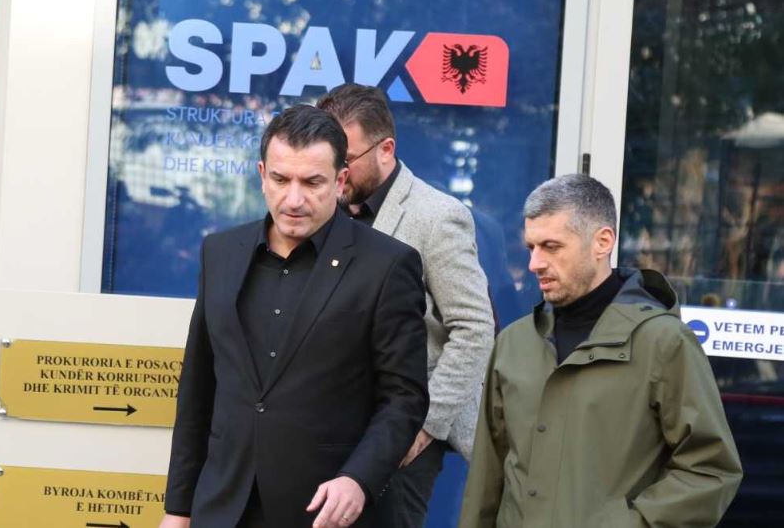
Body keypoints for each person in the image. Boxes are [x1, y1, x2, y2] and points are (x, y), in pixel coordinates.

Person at [159, 105, 429, 528]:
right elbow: (198, 389)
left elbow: (404, 398)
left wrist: (358, 479)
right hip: (223, 507)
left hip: (325, 511)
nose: (294, 199)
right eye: (281, 180)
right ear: (262, 174)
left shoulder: (388, 265)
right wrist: (178, 509)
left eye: (312, 182)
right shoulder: (220, 252)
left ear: (340, 181)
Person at [459, 174, 743, 528]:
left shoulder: (663, 343)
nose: (535, 263)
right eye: (531, 247)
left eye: (551, 246)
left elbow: (710, 469)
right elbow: (487, 476)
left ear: (602, 242)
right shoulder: (514, 344)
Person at [317, 84, 495, 527]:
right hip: (329, 425)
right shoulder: (324, 208)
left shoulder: (437, 216)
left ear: (386, 149)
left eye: (346, 158)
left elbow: (474, 328)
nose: (337, 172)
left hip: (403, 433)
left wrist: (425, 424)